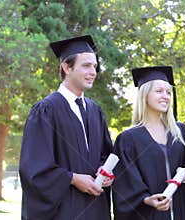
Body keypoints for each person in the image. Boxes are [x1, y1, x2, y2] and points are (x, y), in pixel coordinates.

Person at [19, 35, 114, 220]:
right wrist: (73, 178)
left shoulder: (95, 111)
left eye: (94, 66)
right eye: (86, 65)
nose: (93, 72)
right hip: (63, 211)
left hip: (95, 210)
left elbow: (105, 153)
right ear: (66, 67)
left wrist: (107, 172)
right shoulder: (46, 110)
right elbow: (33, 168)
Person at [112, 66, 185, 220]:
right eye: (159, 91)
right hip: (148, 215)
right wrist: (145, 198)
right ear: (145, 95)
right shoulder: (128, 139)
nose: (165, 96)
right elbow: (124, 184)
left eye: (168, 92)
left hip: (182, 212)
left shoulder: (180, 132)